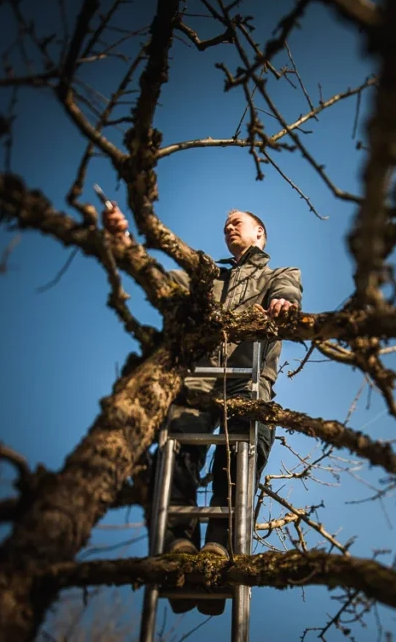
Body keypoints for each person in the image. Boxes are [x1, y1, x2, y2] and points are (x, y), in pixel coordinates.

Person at [103, 204, 302, 615]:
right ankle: (178, 541)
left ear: (260, 233)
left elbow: (287, 292)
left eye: (237, 222)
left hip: (247, 379)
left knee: (245, 448)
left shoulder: (278, 274)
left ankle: (220, 545)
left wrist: (284, 304)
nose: (229, 227)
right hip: (198, 378)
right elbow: (159, 279)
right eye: (225, 224)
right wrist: (124, 242)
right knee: (178, 446)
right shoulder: (205, 277)